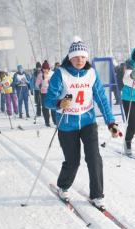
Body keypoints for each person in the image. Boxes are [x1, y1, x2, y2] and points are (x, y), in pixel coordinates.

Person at [45, 36, 121, 207]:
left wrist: (111, 123)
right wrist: (59, 103)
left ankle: (97, 195)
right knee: (73, 161)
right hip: (67, 124)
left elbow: (101, 98)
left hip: (88, 122)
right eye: (76, 57)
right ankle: (63, 186)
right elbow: (48, 100)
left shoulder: (91, 73)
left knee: (94, 158)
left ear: (87, 58)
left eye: (83, 57)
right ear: (70, 57)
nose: (80, 60)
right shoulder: (61, 74)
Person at [36, 60, 54, 126]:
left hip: (51, 92)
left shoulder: (52, 73)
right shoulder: (40, 75)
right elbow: (37, 84)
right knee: (45, 107)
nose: (45, 70)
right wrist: (39, 85)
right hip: (43, 93)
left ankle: (55, 121)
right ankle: (47, 121)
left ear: (48, 68)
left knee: (53, 106)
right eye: (44, 69)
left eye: (46, 69)